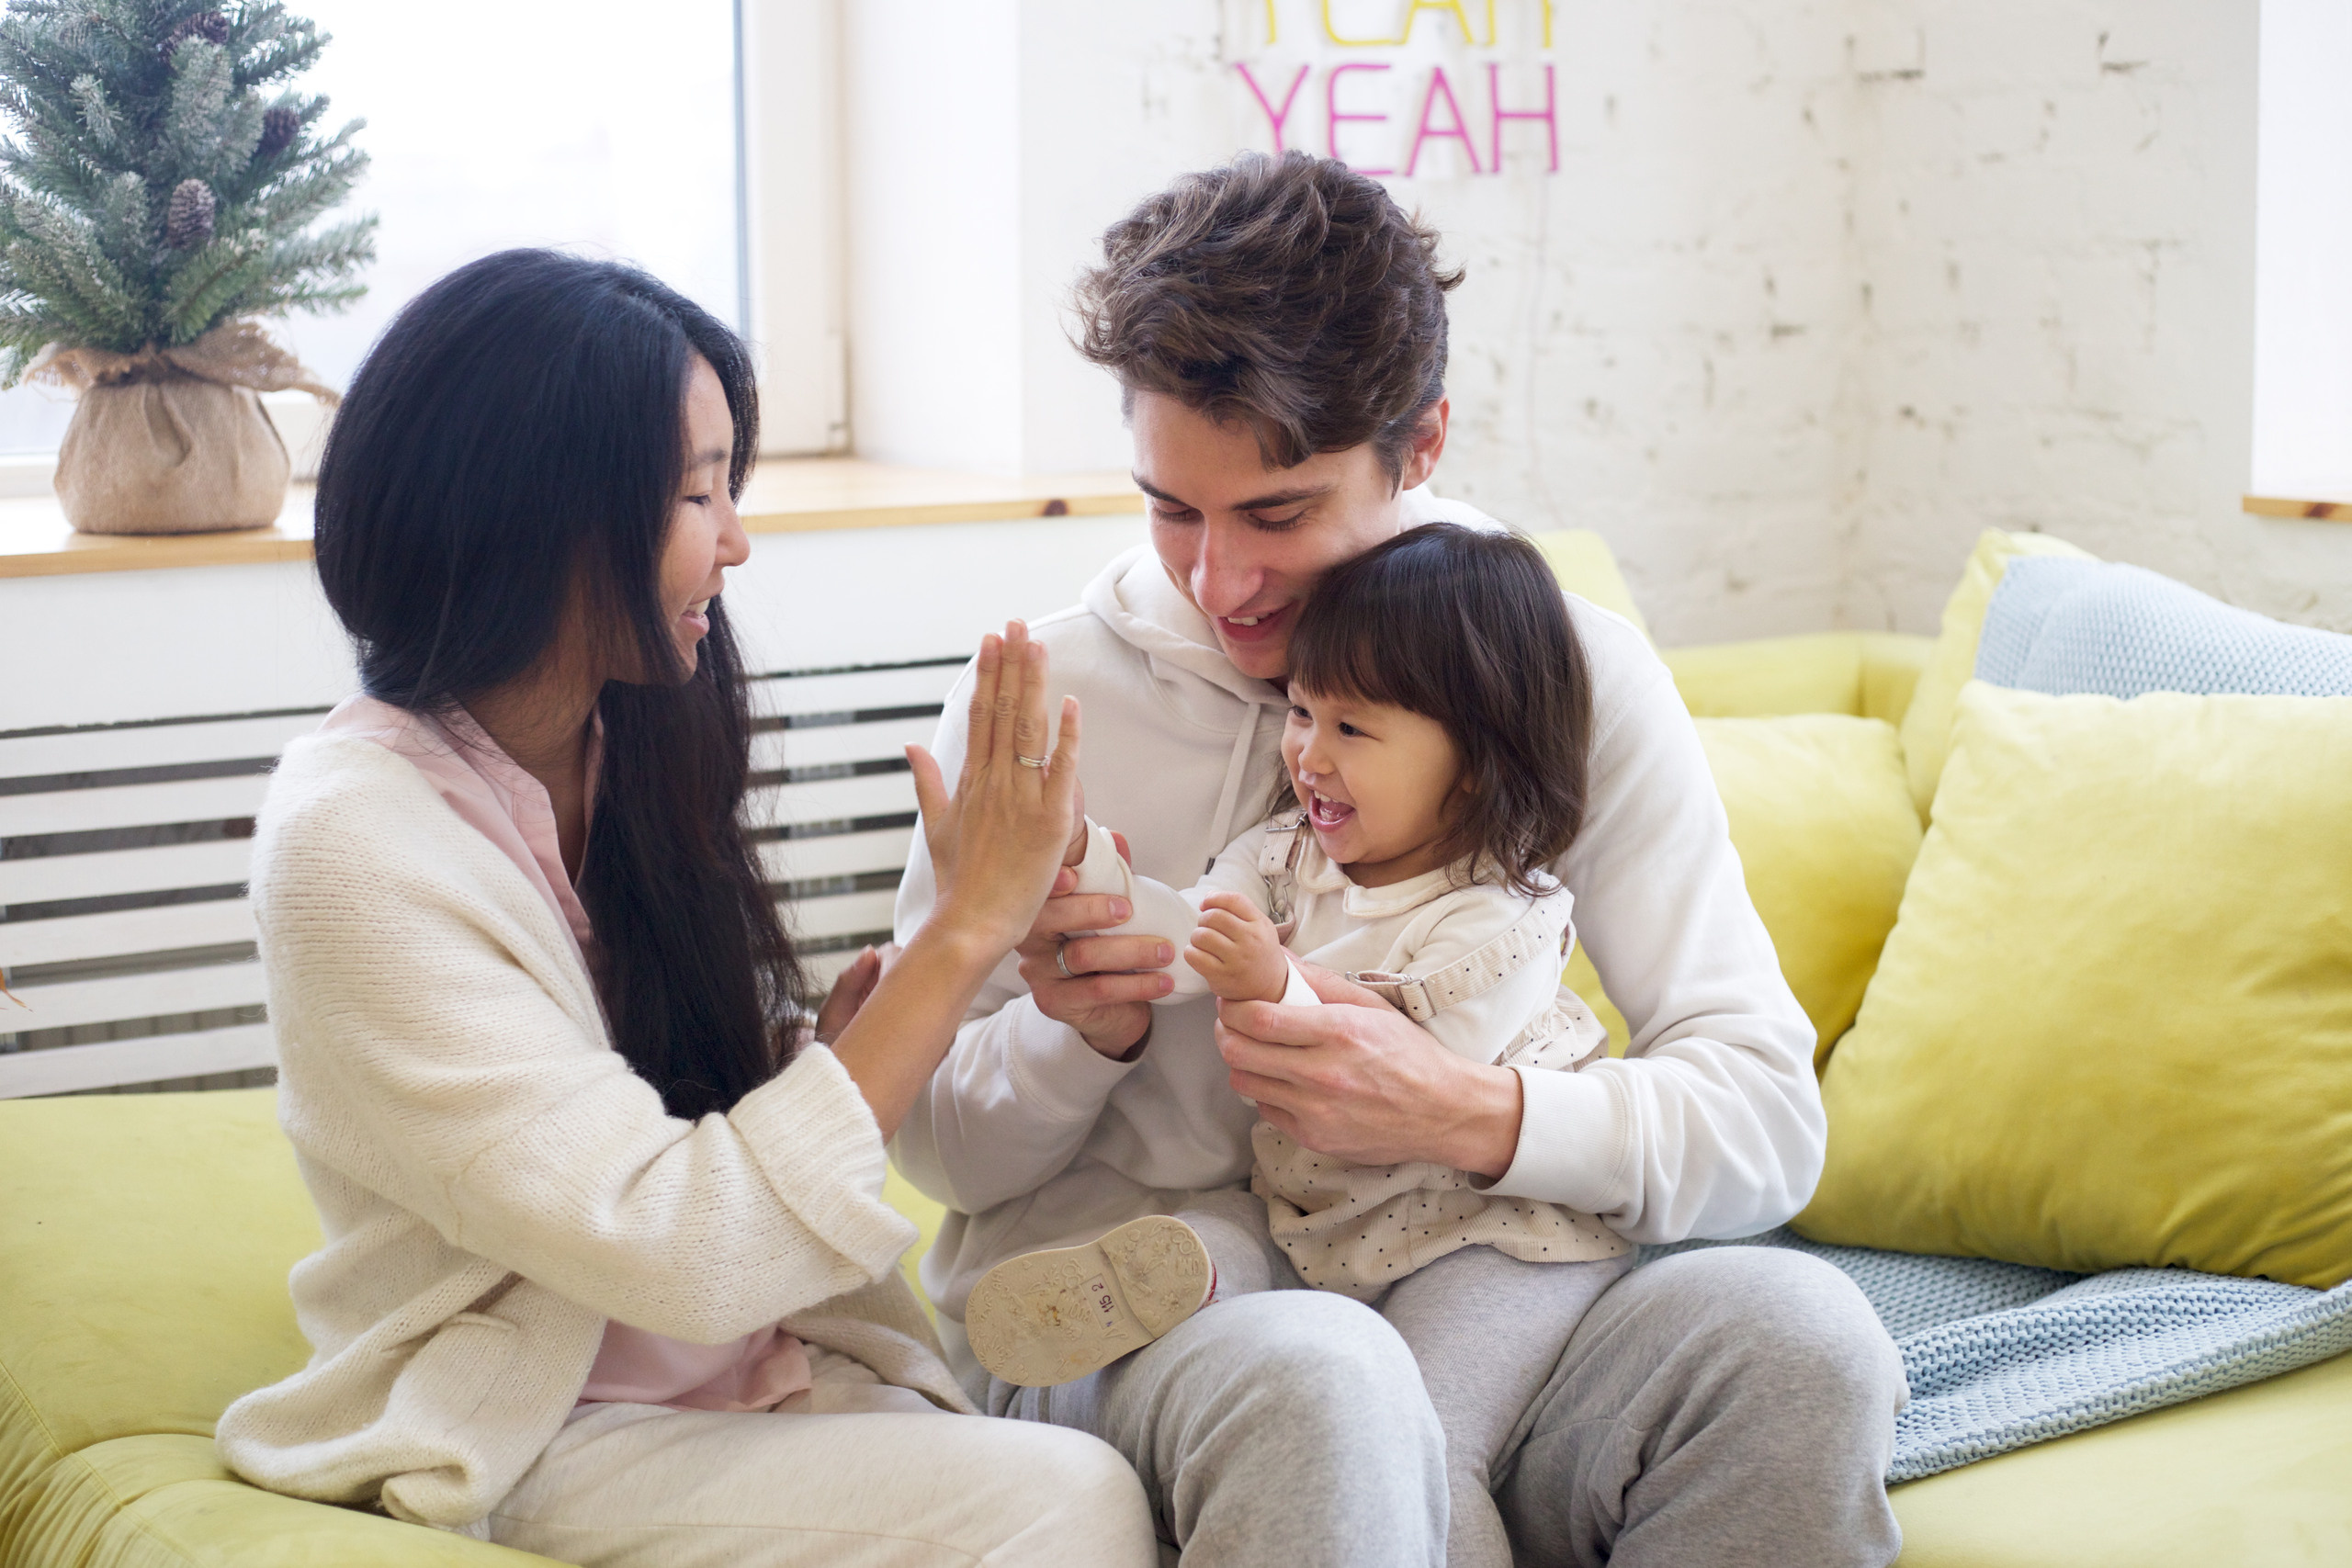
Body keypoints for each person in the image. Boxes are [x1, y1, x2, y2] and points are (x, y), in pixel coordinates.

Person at [891, 153, 1907, 1566]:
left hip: (1476, 1286)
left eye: (1280, 512)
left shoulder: (1559, 674)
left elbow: (1764, 1121)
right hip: (1151, 1326)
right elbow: (929, 1144)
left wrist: (1475, 1114)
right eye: (1174, 507)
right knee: (1326, 1376)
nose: (1219, 582)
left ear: (1420, 445)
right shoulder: (1041, 699)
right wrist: (1083, 1039)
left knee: (1804, 1338)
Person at [213, 249, 1159, 1568]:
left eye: (734, 485)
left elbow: (661, 1097)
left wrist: (845, 1047)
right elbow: (679, 1246)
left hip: (750, 1366)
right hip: (540, 1420)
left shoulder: (631, 737)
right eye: (697, 491)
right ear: (541, 514)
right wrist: (961, 937)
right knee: (1067, 1500)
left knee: (1108, 1478)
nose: (737, 538)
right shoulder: (350, 841)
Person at [965, 524, 1633, 1568]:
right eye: (1301, 713)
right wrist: (1100, 899)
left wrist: (1273, 980)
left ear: (1475, 762)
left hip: (1490, 1238)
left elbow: (1408, 1062)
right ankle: (1132, 1307)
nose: (1307, 754)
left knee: (1427, 1443)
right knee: (1215, 1235)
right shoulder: (1286, 855)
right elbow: (1198, 932)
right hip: (1318, 1213)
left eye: (1352, 730)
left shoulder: (1505, 911)